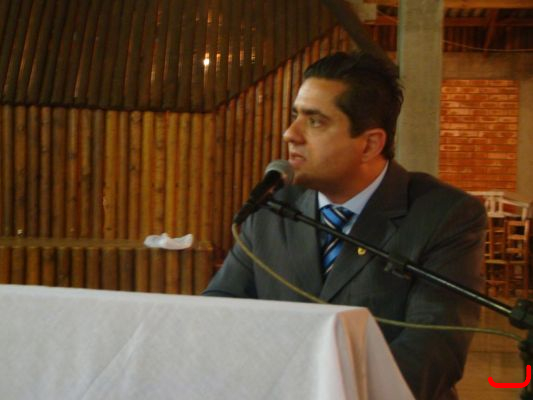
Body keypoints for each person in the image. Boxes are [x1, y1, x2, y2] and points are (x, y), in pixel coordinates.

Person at [204, 51, 486, 400]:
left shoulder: (444, 215)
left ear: (369, 144)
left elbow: (433, 349)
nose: (290, 134)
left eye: (315, 121)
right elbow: (221, 310)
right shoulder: (271, 207)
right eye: (295, 116)